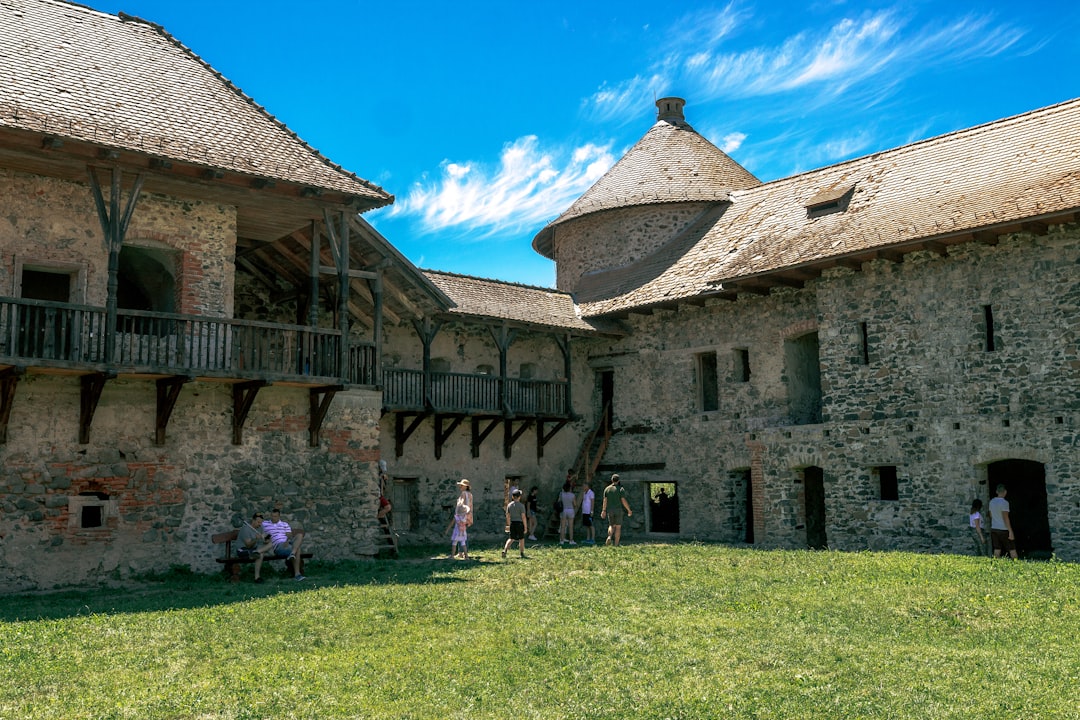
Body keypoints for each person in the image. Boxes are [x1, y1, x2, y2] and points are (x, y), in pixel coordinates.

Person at [262, 508, 306, 580]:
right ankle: (297, 574)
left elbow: (289, 535)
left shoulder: (284, 524)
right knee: (298, 549)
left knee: (300, 535)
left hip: (287, 542)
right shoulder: (265, 524)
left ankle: (292, 553)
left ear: (279, 516)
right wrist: (265, 538)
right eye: (272, 516)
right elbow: (262, 534)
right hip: (278, 545)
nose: (273, 518)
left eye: (275, 516)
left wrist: (287, 539)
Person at [237, 511, 273, 583]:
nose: (260, 524)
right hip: (243, 550)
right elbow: (248, 545)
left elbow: (265, 541)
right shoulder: (246, 529)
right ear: (253, 520)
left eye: (261, 522)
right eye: (258, 522)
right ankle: (257, 577)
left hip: (254, 550)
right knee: (260, 554)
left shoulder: (260, 528)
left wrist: (266, 540)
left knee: (270, 545)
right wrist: (256, 539)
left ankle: (257, 577)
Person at [601, 473, 633, 546]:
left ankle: (609, 536)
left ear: (612, 480)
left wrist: (604, 510)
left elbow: (605, 500)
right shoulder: (621, 489)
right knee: (618, 527)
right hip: (618, 510)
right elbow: (623, 500)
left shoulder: (607, 489)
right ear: (618, 481)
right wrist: (629, 510)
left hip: (610, 510)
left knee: (611, 525)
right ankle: (616, 544)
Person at [988, 484, 1018, 559]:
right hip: (1003, 529)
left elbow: (991, 515)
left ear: (996, 491)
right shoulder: (1004, 503)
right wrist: (1010, 531)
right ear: (1005, 492)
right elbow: (1005, 517)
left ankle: (995, 566)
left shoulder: (991, 502)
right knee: (1012, 549)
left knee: (997, 549)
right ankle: (1017, 565)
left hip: (994, 528)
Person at [502, 488, 528, 559]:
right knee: (521, 539)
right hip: (519, 523)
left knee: (511, 538)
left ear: (513, 497)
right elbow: (523, 517)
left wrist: (508, 524)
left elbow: (507, 515)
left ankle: (505, 550)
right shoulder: (521, 506)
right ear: (519, 497)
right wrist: (525, 527)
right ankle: (522, 552)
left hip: (512, 523)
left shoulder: (509, 505)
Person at [558, 481, 578, 545]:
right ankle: (571, 540)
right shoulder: (572, 495)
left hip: (563, 510)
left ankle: (561, 540)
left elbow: (559, 501)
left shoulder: (561, 494)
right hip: (570, 509)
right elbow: (575, 504)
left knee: (563, 526)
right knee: (570, 526)